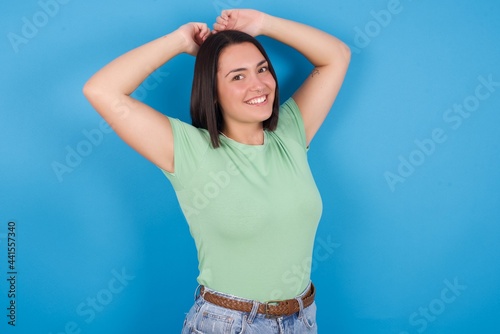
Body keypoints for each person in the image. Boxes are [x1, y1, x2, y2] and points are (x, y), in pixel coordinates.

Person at [83, 8, 350, 334]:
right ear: (212, 90)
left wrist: (264, 24)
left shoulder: (291, 133)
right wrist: (179, 41)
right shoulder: (188, 150)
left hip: (302, 319)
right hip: (229, 324)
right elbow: (101, 90)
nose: (258, 85)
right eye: (237, 76)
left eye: (262, 69)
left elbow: (337, 56)